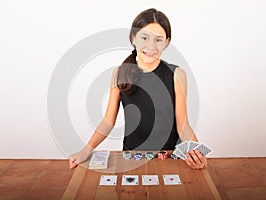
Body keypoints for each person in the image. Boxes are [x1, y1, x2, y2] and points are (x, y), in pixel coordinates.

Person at [69, 8, 207, 170]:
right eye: (144, 38)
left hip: (169, 155)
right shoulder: (119, 74)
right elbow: (108, 121)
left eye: (158, 40)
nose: (151, 46)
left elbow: (183, 125)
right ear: (134, 38)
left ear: (167, 42)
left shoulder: (177, 74)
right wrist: (86, 150)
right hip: (131, 156)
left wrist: (196, 152)